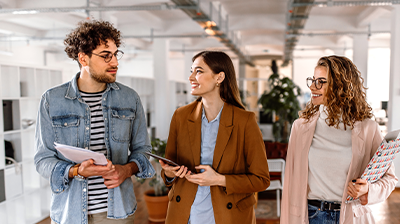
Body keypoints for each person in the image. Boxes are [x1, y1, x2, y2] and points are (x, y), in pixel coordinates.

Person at [34, 20, 155, 224]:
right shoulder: (51, 100)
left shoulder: (129, 98)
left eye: (116, 54)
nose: (115, 62)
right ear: (83, 58)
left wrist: (125, 170)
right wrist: (75, 171)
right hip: (68, 214)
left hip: (116, 213)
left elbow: (143, 150)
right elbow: (42, 160)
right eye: (106, 56)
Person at [281, 55, 398, 224]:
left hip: (352, 216)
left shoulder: (367, 128)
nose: (313, 87)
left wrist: (368, 190)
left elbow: (390, 178)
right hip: (312, 216)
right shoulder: (300, 128)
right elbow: (290, 183)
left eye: (321, 81)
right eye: (313, 80)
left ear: (340, 87)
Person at [160, 51, 270, 224]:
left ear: (219, 77)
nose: (191, 77)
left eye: (199, 71)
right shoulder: (180, 116)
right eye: (191, 71)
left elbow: (261, 180)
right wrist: (169, 173)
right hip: (185, 215)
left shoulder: (244, 121)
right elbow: (168, 169)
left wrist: (219, 179)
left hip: (228, 216)